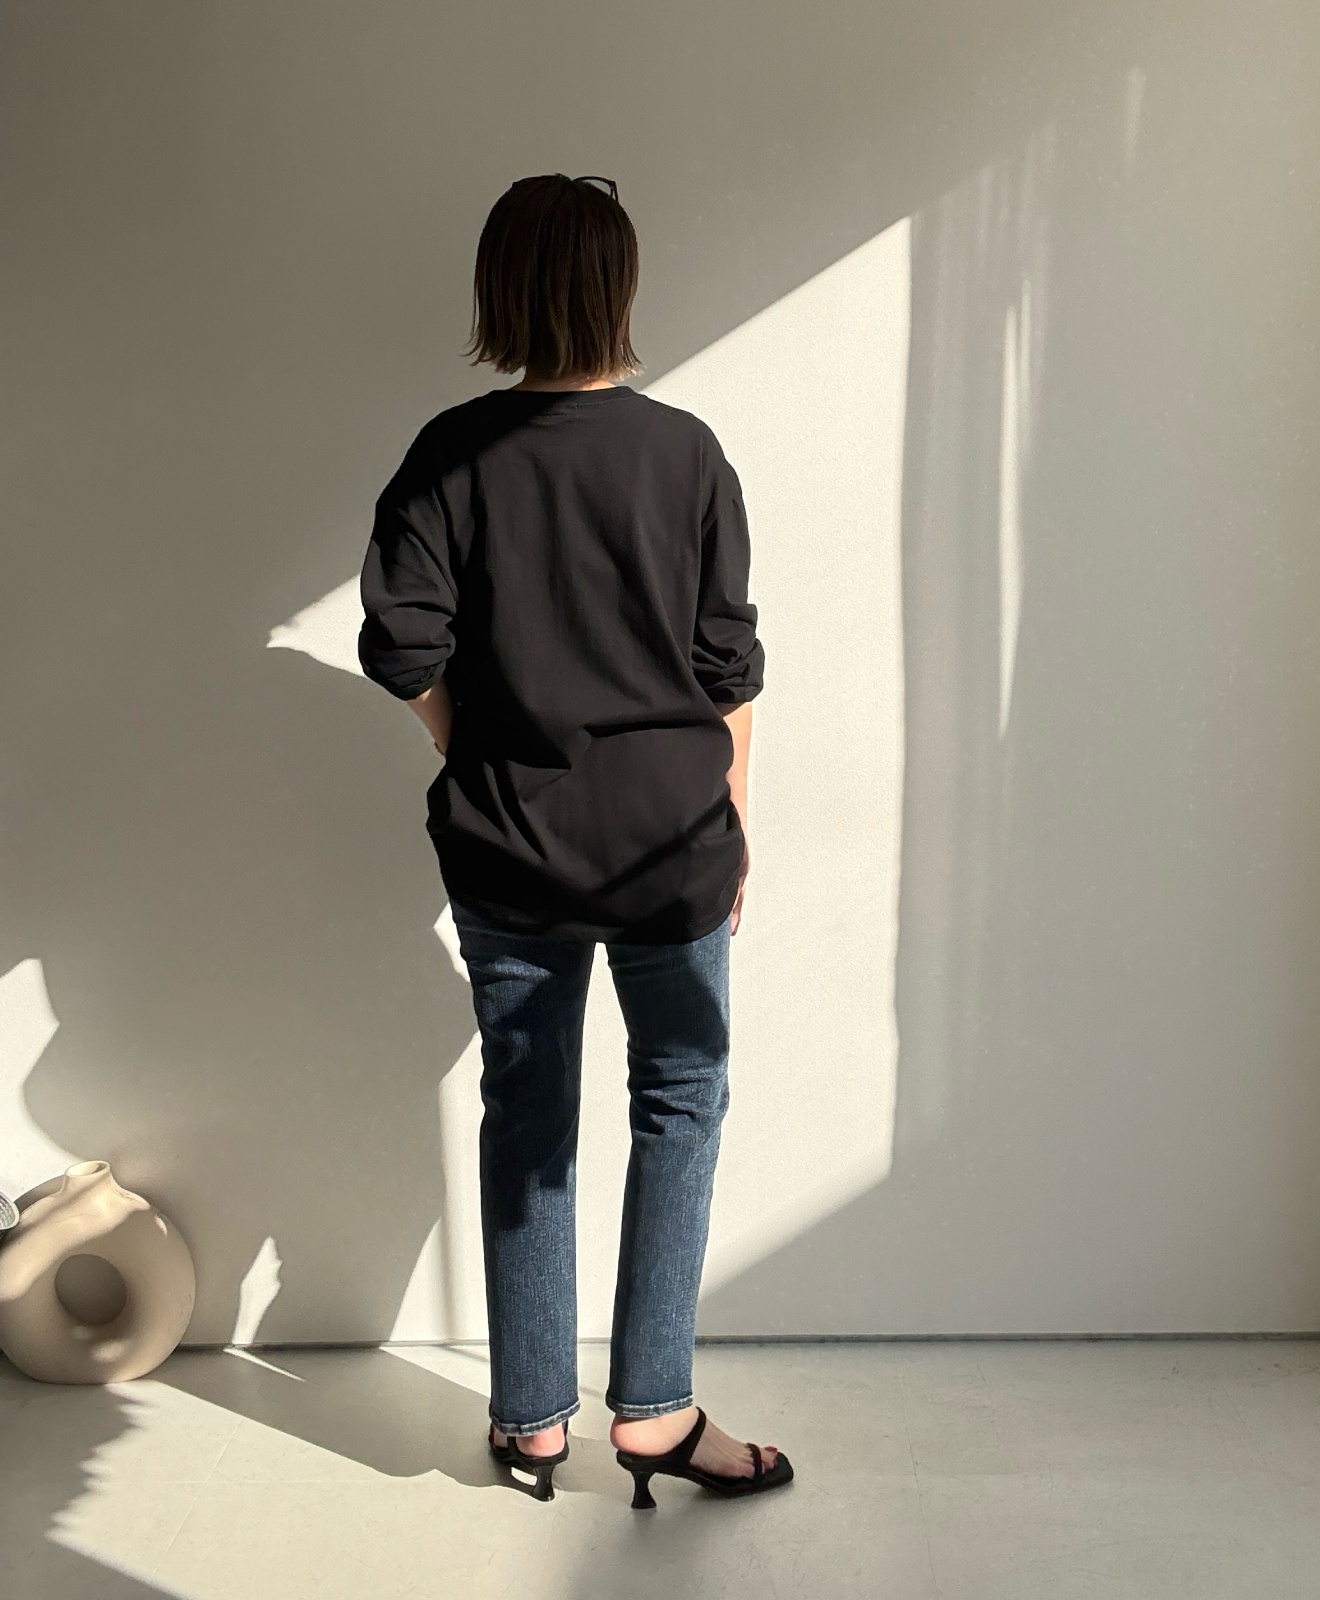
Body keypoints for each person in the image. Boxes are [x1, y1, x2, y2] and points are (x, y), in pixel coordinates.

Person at [357, 173, 792, 1508]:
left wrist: (469, 746)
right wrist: (735, 819)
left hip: (511, 847)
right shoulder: (686, 454)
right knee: (681, 1101)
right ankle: (655, 1415)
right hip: (672, 842)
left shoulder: (450, 455)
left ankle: (533, 1422)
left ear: (499, 292)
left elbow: (401, 645)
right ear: (622, 288)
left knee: (528, 1113)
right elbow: (728, 664)